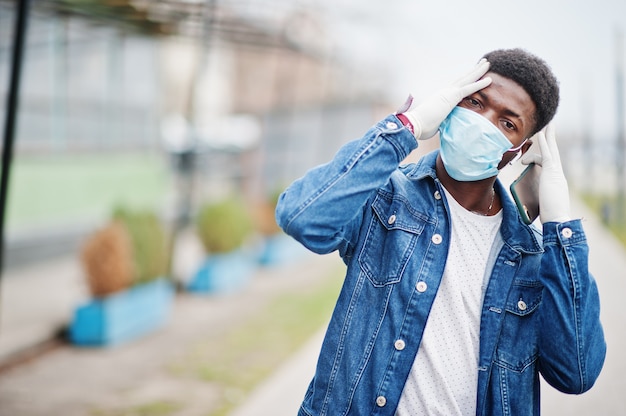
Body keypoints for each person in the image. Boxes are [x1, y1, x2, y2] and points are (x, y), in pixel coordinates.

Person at [275, 48, 606, 415]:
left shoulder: (532, 254)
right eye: (476, 103)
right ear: (452, 103)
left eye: (507, 123)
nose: (483, 121)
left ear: (518, 150)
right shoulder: (386, 197)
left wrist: (559, 227)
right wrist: (407, 127)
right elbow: (301, 217)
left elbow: (575, 373)